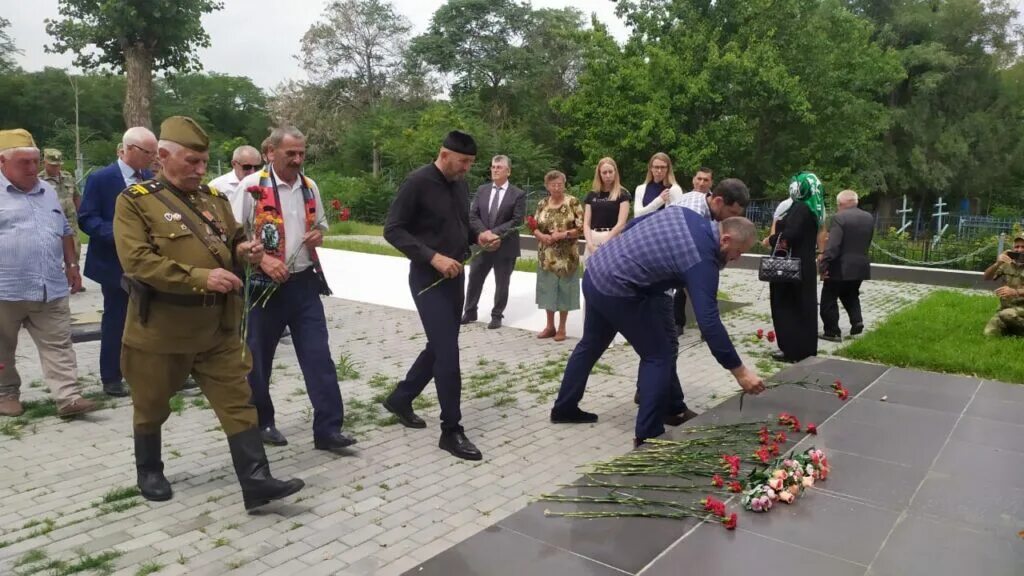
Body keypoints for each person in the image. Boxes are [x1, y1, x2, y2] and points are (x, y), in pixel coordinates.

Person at [114, 116, 303, 509]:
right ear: (163, 157)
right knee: (151, 404)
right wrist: (200, 277)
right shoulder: (134, 202)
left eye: (204, 162)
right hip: (163, 330)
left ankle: (257, 481)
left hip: (219, 327)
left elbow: (233, 239)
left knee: (238, 399)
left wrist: (245, 252)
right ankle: (149, 468)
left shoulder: (213, 200)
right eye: (192, 162)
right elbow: (137, 262)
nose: (201, 170)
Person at [550, 207, 765, 445]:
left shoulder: (685, 214)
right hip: (619, 290)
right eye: (737, 252)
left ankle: (564, 408)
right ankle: (648, 435)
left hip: (596, 272)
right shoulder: (703, 258)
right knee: (658, 355)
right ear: (725, 239)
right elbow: (709, 322)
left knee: (591, 344)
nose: (736, 259)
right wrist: (740, 372)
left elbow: (633, 224)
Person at [381, 130, 500, 461]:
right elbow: (392, 229)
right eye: (463, 162)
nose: (466, 169)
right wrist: (432, 257)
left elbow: (464, 223)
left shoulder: (460, 184)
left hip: (455, 278)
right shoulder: (417, 182)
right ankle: (451, 430)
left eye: (470, 163)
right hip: (426, 278)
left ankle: (401, 398)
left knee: (439, 345)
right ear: (444, 154)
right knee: (448, 351)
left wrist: (481, 235)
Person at [237, 126, 355, 453]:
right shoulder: (250, 187)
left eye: (301, 153)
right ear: (271, 153)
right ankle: (262, 422)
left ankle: (328, 430)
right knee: (257, 360)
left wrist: (318, 235)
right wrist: (262, 262)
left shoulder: (309, 186)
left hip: (303, 283)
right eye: (291, 153)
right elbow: (233, 237)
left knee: (319, 357)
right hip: (263, 286)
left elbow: (319, 225)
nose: (298, 159)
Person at [0, 129, 99, 419]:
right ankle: (6, 394)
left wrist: (72, 266)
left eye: (34, 161)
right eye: (24, 163)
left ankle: (68, 397)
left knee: (59, 343)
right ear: (2, 163)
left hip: (50, 287)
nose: (32, 168)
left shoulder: (48, 191)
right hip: (6, 290)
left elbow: (66, 231)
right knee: (3, 347)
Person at [78, 127, 157, 397]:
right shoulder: (101, 179)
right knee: (118, 318)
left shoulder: (151, 178)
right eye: (149, 152)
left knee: (155, 318)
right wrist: (119, 235)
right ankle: (112, 376)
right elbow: (86, 218)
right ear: (131, 149)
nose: (154, 157)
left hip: (149, 262)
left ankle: (160, 372)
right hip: (114, 264)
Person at [673, 170, 749, 334]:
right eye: (732, 213)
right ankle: (687, 325)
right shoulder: (694, 212)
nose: (732, 220)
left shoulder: (707, 204)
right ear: (719, 202)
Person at [461, 155, 526, 329]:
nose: (495, 170)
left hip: (505, 247)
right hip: (482, 244)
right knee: (474, 278)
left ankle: (497, 315)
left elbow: (517, 220)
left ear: (508, 171)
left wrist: (494, 233)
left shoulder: (518, 194)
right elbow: (472, 215)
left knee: (502, 282)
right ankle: (470, 311)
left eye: (499, 167)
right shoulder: (482, 190)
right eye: (493, 167)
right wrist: (484, 233)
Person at [768, 172, 825, 363]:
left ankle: (793, 349)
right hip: (804, 264)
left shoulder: (800, 208)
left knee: (787, 307)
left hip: (790, 267)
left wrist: (773, 239)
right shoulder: (814, 208)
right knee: (804, 306)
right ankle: (805, 348)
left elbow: (790, 235)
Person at [532, 170, 584, 342]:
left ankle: (562, 327)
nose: (557, 187)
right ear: (547, 186)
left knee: (564, 291)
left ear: (564, 184)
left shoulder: (573, 202)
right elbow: (534, 225)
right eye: (553, 184)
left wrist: (564, 234)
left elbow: (582, 228)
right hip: (546, 255)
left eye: (560, 184)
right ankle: (549, 326)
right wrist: (540, 235)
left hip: (566, 256)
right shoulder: (542, 203)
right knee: (547, 289)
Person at [819, 189, 874, 341]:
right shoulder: (868, 217)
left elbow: (833, 245)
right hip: (861, 265)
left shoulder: (839, 218)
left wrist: (824, 264)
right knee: (851, 294)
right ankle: (857, 321)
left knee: (828, 299)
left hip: (840, 266)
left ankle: (832, 331)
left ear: (841, 204)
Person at [672, 167, 715, 332]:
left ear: (711, 182)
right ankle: (678, 323)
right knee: (679, 288)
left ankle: (707, 327)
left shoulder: (711, 200)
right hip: (679, 246)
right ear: (693, 180)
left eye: (706, 180)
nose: (702, 182)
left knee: (701, 290)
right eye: (699, 179)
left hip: (700, 249)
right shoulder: (683, 198)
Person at [39, 149, 83, 268]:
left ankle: (74, 279)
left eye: (58, 165)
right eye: (52, 165)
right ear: (44, 163)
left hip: (70, 221)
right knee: (52, 252)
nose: (56, 168)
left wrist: (82, 214)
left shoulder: (67, 176)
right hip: (50, 222)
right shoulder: (39, 180)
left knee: (75, 250)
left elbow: (76, 196)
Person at [583, 157, 630, 256]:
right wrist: (590, 245)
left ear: (615, 172)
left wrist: (605, 241)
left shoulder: (622, 194)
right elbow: (586, 223)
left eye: (610, 172)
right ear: (599, 174)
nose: (608, 175)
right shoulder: (591, 195)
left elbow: (621, 223)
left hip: (613, 238)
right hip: (593, 238)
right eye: (604, 173)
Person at [982, 234, 1024, 336]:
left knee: (1007, 315)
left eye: (1023, 247)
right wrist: (997, 263)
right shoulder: (1007, 264)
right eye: (1017, 247)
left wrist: (1015, 292)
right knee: (989, 333)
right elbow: (986, 277)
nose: (1019, 250)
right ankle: (1013, 330)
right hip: (1005, 308)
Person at [209, 144, 262, 222]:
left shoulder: (263, 183)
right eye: (247, 167)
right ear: (234, 164)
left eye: (257, 168)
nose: (252, 172)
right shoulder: (216, 186)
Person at [633, 153, 684, 217]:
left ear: (668, 169)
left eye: (663, 167)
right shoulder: (640, 189)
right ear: (651, 168)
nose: (659, 171)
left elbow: (678, 215)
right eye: (656, 167)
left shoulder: (674, 189)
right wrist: (659, 200)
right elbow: (637, 215)